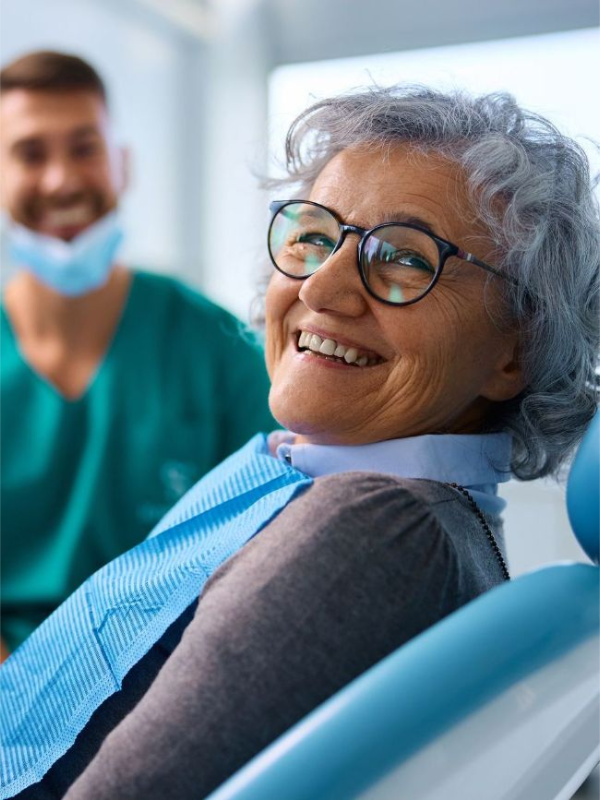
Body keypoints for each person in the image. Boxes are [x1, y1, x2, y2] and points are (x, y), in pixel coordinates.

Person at [1, 85, 599, 800]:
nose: (323, 288)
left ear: (515, 351)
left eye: (405, 257)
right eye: (314, 237)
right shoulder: (329, 487)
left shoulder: (377, 530)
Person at [0, 50, 274, 658]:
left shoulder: (215, 349)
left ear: (122, 165)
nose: (61, 180)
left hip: (174, 680)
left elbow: (273, 547)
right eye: (30, 153)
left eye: (84, 148)